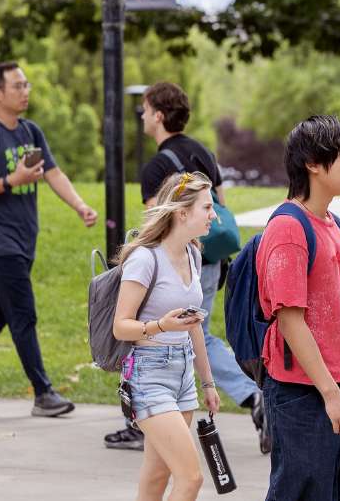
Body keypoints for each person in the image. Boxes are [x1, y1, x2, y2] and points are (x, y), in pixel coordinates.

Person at [105, 82, 265, 453]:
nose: (142, 117)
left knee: (184, 333)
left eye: (145, 110)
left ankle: (247, 395)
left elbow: (156, 226)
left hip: (178, 262)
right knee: (197, 332)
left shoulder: (158, 166)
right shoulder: (202, 151)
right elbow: (220, 207)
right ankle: (162, 414)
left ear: (159, 115)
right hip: (208, 260)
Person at [0, 62, 96, 417]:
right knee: (23, 313)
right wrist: (13, 179)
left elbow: (52, 173)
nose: (26, 91)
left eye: (26, 85)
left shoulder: (30, 131)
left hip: (26, 238)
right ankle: (43, 393)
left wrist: (80, 205)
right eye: (18, 85)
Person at [257, 115, 340, 500]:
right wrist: (331, 395)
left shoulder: (335, 225)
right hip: (305, 395)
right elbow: (290, 321)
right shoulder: (287, 228)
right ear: (313, 164)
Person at [112, 171, 221, 501]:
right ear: (182, 212)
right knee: (191, 479)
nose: (214, 214)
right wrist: (160, 326)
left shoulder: (194, 255)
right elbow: (121, 326)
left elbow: (195, 326)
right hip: (149, 373)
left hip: (182, 374)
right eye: (207, 207)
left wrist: (208, 383)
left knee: (158, 472)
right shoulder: (145, 259)